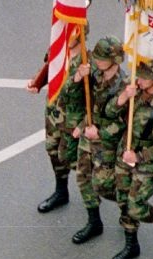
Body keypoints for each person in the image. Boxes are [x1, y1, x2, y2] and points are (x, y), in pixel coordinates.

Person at [108, 57, 153, 259]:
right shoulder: (132, 92)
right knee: (123, 199)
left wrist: (139, 157)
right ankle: (131, 244)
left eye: (144, 78)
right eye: (139, 76)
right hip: (124, 153)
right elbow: (109, 112)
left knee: (135, 206)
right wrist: (125, 97)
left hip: (146, 161)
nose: (139, 80)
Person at [71, 35, 131, 244]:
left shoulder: (124, 85)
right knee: (84, 178)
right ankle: (94, 221)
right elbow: (74, 99)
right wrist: (78, 78)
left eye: (101, 58)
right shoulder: (94, 75)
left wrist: (101, 133)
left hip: (107, 142)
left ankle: (132, 213)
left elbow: (126, 123)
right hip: (89, 136)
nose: (96, 61)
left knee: (106, 185)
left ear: (114, 60)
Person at [25, 28, 87, 213]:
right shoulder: (58, 49)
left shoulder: (87, 63)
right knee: (53, 151)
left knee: (80, 163)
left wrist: (83, 125)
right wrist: (37, 81)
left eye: (71, 33)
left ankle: (96, 207)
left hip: (72, 122)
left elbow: (97, 102)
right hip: (53, 114)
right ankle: (61, 191)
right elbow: (48, 69)